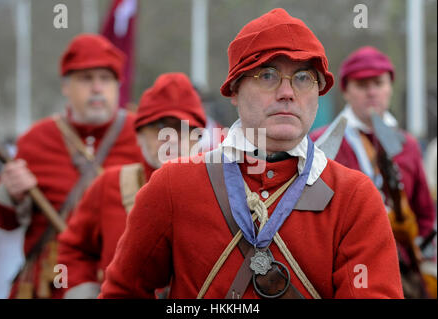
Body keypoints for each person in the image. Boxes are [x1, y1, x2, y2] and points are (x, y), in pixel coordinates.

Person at [99, 8, 403, 299]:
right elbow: (123, 291)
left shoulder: (355, 197)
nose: (287, 92)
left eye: (303, 77)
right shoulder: (172, 186)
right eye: (268, 75)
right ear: (234, 90)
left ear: (318, 92)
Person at [0, 33, 145, 299]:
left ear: (118, 85)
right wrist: (11, 193)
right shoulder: (36, 139)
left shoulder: (142, 135)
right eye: (86, 79)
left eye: (105, 79)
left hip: (121, 286)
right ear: (66, 86)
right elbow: (4, 220)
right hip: (48, 286)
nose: (97, 88)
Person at [56, 72, 207, 298]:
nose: (172, 139)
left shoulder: (220, 189)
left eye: (183, 129)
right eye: (159, 127)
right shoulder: (109, 184)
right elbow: (73, 249)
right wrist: (82, 291)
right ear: (138, 135)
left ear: (198, 138)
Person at [310, 46, 436, 298]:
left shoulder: (407, 145)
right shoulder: (320, 142)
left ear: (390, 86)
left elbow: (425, 213)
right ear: (345, 90)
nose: (371, 92)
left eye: (378, 83)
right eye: (361, 84)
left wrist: (417, 249)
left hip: (402, 270)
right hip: (340, 268)